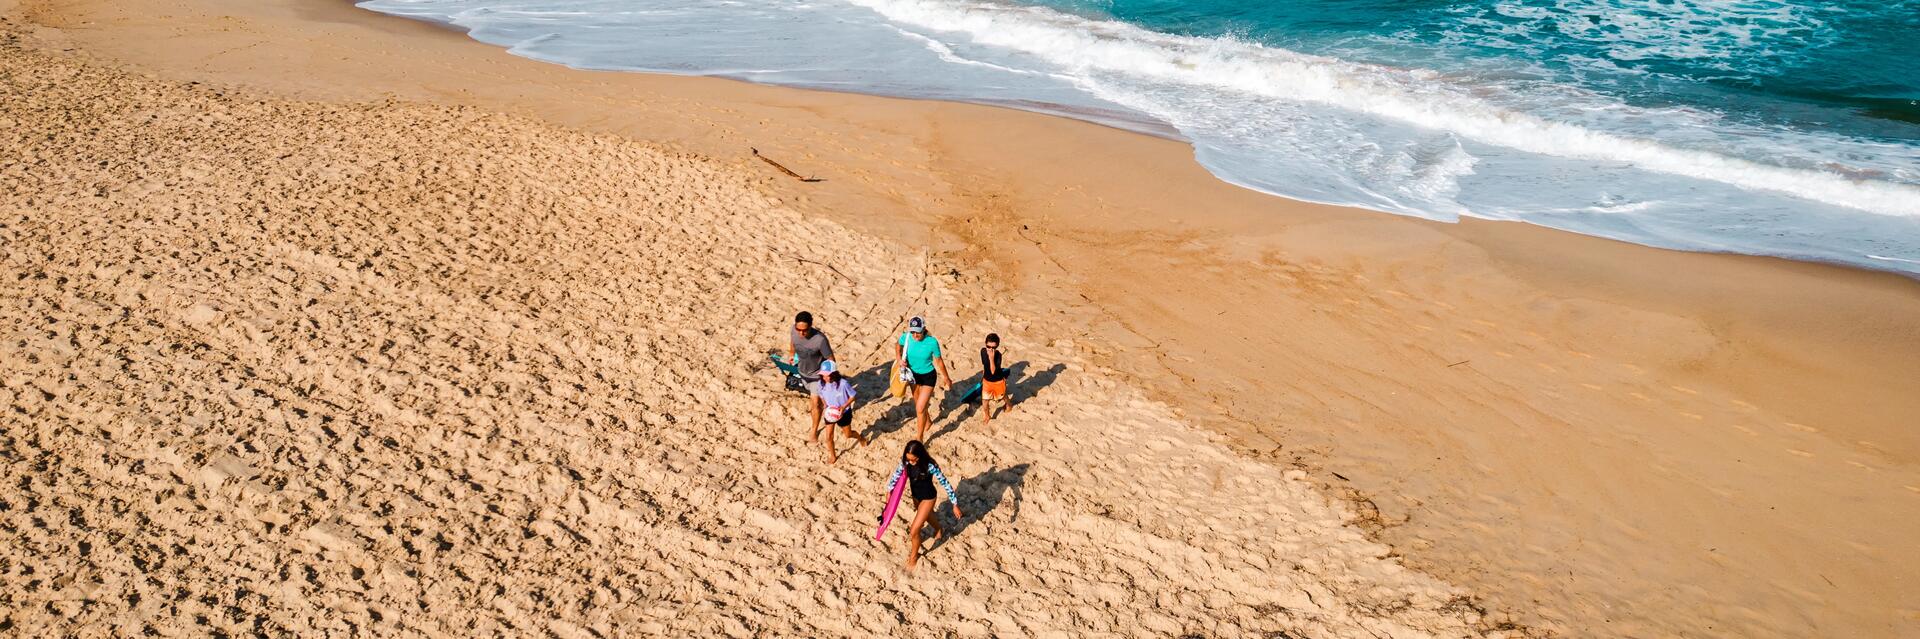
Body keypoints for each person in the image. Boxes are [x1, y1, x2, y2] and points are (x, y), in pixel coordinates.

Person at [881, 440, 962, 571]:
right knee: (927, 515)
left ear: (920, 456)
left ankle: (914, 556)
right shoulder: (905, 463)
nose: (911, 462)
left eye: (914, 459)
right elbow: (895, 476)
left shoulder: (929, 466)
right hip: (915, 497)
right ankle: (938, 528)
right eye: (909, 459)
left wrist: (955, 504)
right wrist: (889, 490)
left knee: (914, 531)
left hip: (929, 497)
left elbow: (945, 483)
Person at [894, 316, 950, 441]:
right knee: (919, 402)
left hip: (928, 377)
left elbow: (939, 361)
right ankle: (928, 421)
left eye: (917, 331)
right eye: (912, 331)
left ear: (924, 329)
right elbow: (898, 344)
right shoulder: (907, 337)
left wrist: (946, 378)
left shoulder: (932, 342)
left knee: (919, 408)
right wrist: (898, 358)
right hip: (912, 375)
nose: (915, 335)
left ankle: (919, 438)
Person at [788, 311, 833, 444]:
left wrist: (828, 376)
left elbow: (830, 359)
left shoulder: (820, 340)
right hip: (802, 371)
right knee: (816, 400)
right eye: (799, 330)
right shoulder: (793, 331)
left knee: (815, 404)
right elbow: (792, 341)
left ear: (811, 326)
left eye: (805, 330)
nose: (801, 333)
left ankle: (814, 430)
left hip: (816, 376)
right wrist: (791, 353)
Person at [814, 360, 868, 463]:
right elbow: (821, 395)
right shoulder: (821, 383)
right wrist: (825, 403)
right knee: (828, 437)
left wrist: (843, 407)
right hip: (830, 413)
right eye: (823, 375)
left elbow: (853, 396)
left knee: (848, 435)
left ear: (833, 373)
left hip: (844, 412)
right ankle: (833, 456)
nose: (825, 378)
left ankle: (860, 437)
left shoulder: (843, 384)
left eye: (827, 375)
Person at [979, 333, 1011, 427]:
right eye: (988, 346)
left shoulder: (998, 356)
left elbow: (993, 371)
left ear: (997, 346)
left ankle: (1009, 405)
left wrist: (991, 358)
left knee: (1003, 396)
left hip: (997, 381)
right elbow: (985, 366)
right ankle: (987, 416)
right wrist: (983, 376)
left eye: (994, 347)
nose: (991, 349)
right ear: (985, 344)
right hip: (987, 381)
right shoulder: (982, 351)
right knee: (985, 401)